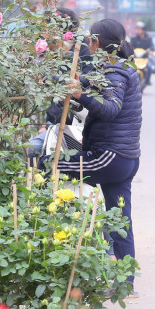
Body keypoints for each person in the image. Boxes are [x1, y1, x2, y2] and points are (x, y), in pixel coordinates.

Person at [58, 18, 142, 290]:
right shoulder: (119, 67)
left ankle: (74, 255)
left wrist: (80, 94)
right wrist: (80, 82)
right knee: (120, 220)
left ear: (96, 42)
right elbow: (100, 89)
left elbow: (110, 108)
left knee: (51, 166)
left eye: (89, 41)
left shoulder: (115, 69)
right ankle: (125, 284)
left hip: (110, 156)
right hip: (125, 158)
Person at [28, 8, 92, 162]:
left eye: (47, 30)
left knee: (33, 149)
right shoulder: (52, 54)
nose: (44, 35)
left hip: (77, 125)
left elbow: (69, 90)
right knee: (34, 151)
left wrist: (51, 127)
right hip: (56, 124)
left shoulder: (82, 52)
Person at [130, 21, 154, 85]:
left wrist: (151, 51)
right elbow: (130, 46)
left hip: (144, 58)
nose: (137, 30)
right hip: (135, 58)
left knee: (150, 68)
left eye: (139, 29)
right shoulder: (134, 38)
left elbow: (152, 47)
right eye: (137, 29)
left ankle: (147, 81)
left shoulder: (148, 38)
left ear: (143, 30)